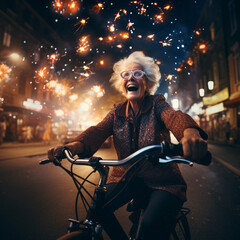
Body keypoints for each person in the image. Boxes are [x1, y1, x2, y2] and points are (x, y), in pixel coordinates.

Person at [48, 51, 208, 240]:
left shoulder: (157, 104)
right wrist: (74, 146)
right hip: (125, 178)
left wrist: (189, 132)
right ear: (122, 83)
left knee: (149, 225)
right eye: (126, 75)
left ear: (147, 82)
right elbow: (98, 130)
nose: (131, 78)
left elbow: (174, 117)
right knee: (97, 209)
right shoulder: (117, 111)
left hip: (163, 182)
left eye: (138, 74)